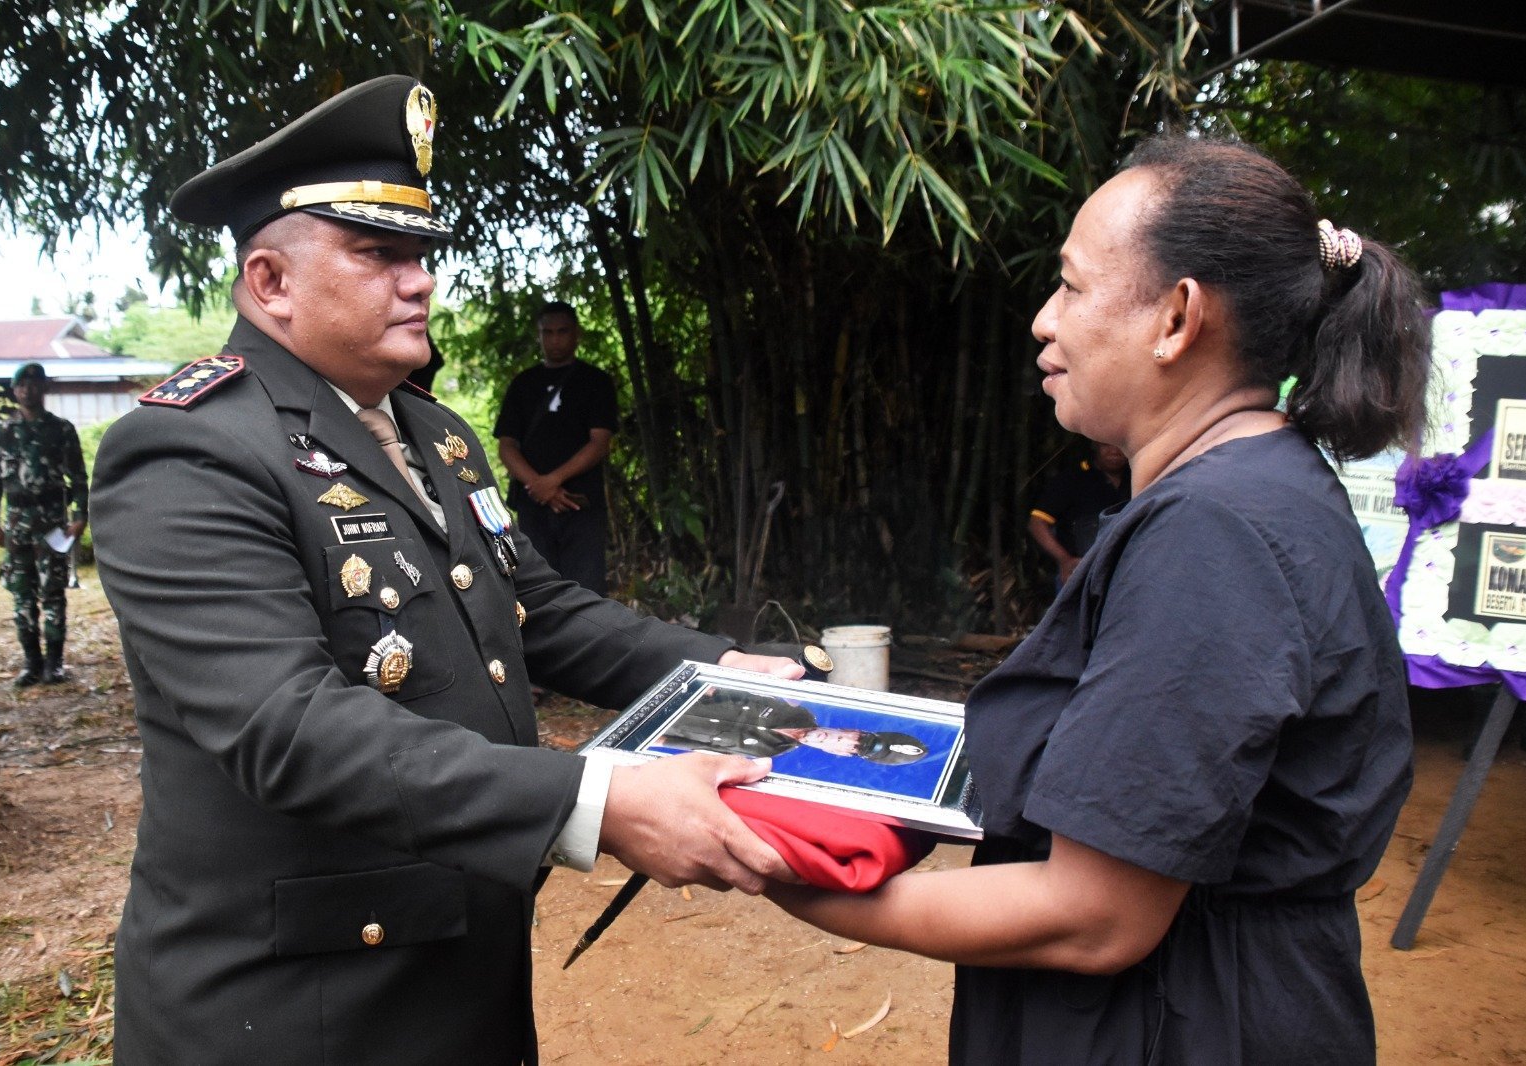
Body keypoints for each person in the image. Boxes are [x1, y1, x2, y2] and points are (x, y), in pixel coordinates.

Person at [90, 76, 802, 1065]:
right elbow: (286, 725)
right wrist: (594, 801)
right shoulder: (191, 449)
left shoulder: (432, 432)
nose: (419, 281)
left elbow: (538, 609)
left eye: (419, 254)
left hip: (455, 955)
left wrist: (717, 669)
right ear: (272, 282)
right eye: (377, 253)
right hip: (305, 1005)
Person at [768, 135, 1430, 1064]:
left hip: (1180, 1026)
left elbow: (1094, 915)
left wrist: (786, 874)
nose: (1044, 321)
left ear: (1177, 317)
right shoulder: (1256, 486)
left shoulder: (1213, 533)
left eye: (1072, 287)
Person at [495, 301, 617, 594]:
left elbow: (600, 442)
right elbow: (507, 445)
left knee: (587, 589)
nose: (555, 339)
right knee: (538, 589)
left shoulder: (596, 381)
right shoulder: (523, 383)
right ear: (539, 335)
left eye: (562, 331)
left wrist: (552, 481)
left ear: (576, 334)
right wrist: (538, 485)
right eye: (547, 332)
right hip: (533, 504)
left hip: (581, 503)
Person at [0, 362, 87, 686]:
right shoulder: (1, 432)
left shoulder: (61, 430)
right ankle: (31, 663)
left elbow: (79, 478)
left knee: (53, 593)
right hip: (17, 523)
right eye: (21, 385)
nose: (27, 391)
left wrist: (80, 516)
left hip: (52, 523)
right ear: (14, 391)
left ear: (45, 388)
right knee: (22, 594)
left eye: (34, 384)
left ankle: (54, 664)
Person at [659, 689, 929, 763]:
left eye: (841, 746)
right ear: (847, 730)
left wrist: (660, 741)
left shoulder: (768, 752)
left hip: (665, 728)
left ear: (835, 753)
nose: (829, 738)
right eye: (842, 736)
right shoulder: (794, 708)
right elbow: (736, 690)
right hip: (670, 696)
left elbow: (704, 747)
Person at [1027, 438, 1130, 587]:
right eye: (1106, 444)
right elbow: (1037, 523)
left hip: (1129, 574)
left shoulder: (1140, 476)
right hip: (1081, 574)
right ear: (1094, 445)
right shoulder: (1074, 478)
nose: (1114, 451)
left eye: (1119, 444)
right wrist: (1065, 559)